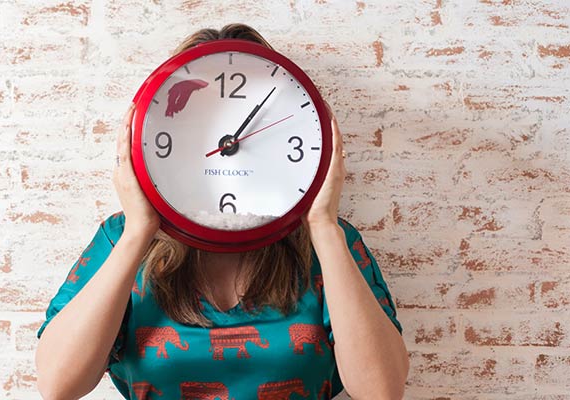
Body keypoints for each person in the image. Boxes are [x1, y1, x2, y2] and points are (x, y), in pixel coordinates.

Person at [34, 23, 409, 400]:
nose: (228, 144)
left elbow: (382, 392)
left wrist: (323, 225)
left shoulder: (328, 242)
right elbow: (58, 385)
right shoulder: (122, 238)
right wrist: (138, 231)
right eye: (203, 126)